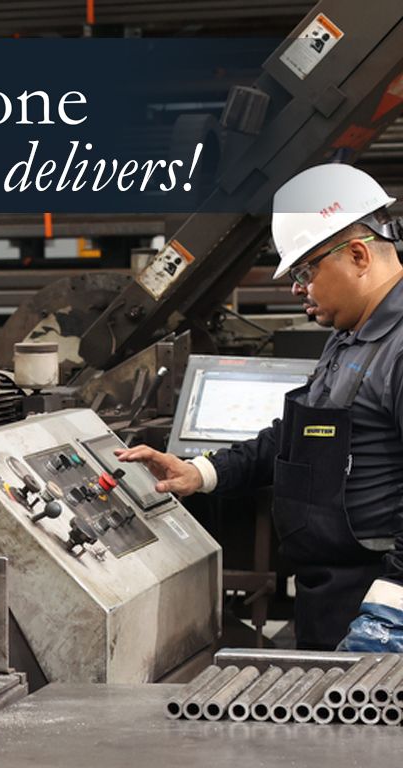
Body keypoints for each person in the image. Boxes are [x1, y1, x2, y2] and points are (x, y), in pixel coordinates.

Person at [117, 163, 403, 652]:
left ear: (358, 255)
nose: (298, 288)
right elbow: (296, 440)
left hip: (377, 606)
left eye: (306, 270)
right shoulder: (350, 338)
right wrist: (200, 473)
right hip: (333, 597)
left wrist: (390, 614)